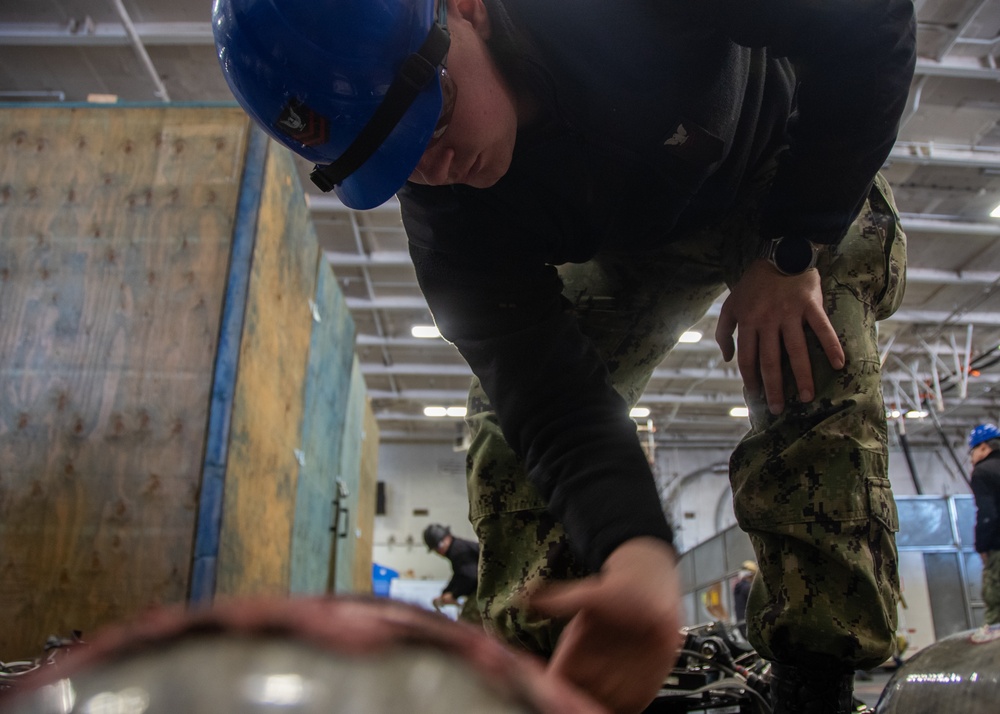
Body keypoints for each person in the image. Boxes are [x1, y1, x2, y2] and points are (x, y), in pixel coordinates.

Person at [213, 2, 915, 712]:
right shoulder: (449, 218)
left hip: (783, 168)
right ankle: (543, 683)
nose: (437, 163)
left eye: (435, 110)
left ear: (465, 11)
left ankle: (815, 685)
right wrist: (634, 554)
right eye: (393, 159)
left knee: (808, 360)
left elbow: (869, 20)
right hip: (637, 237)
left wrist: (795, 246)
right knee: (506, 431)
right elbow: (549, 400)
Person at [969, 424, 1000, 625]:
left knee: (996, 606)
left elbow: (987, 513)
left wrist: (982, 547)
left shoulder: (982, 471)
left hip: (998, 546)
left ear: (982, 448)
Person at [423, 523, 482, 624]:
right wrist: (446, 592)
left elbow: (470, 577)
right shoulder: (457, 548)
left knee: (468, 621)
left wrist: (454, 595)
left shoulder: (458, 550)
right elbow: (460, 575)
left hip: (491, 589)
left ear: (446, 539)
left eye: (438, 548)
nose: (439, 552)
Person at [732, 560, 757, 639]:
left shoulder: (738, 588)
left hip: (741, 625)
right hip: (750, 625)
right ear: (751, 575)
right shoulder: (748, 588)